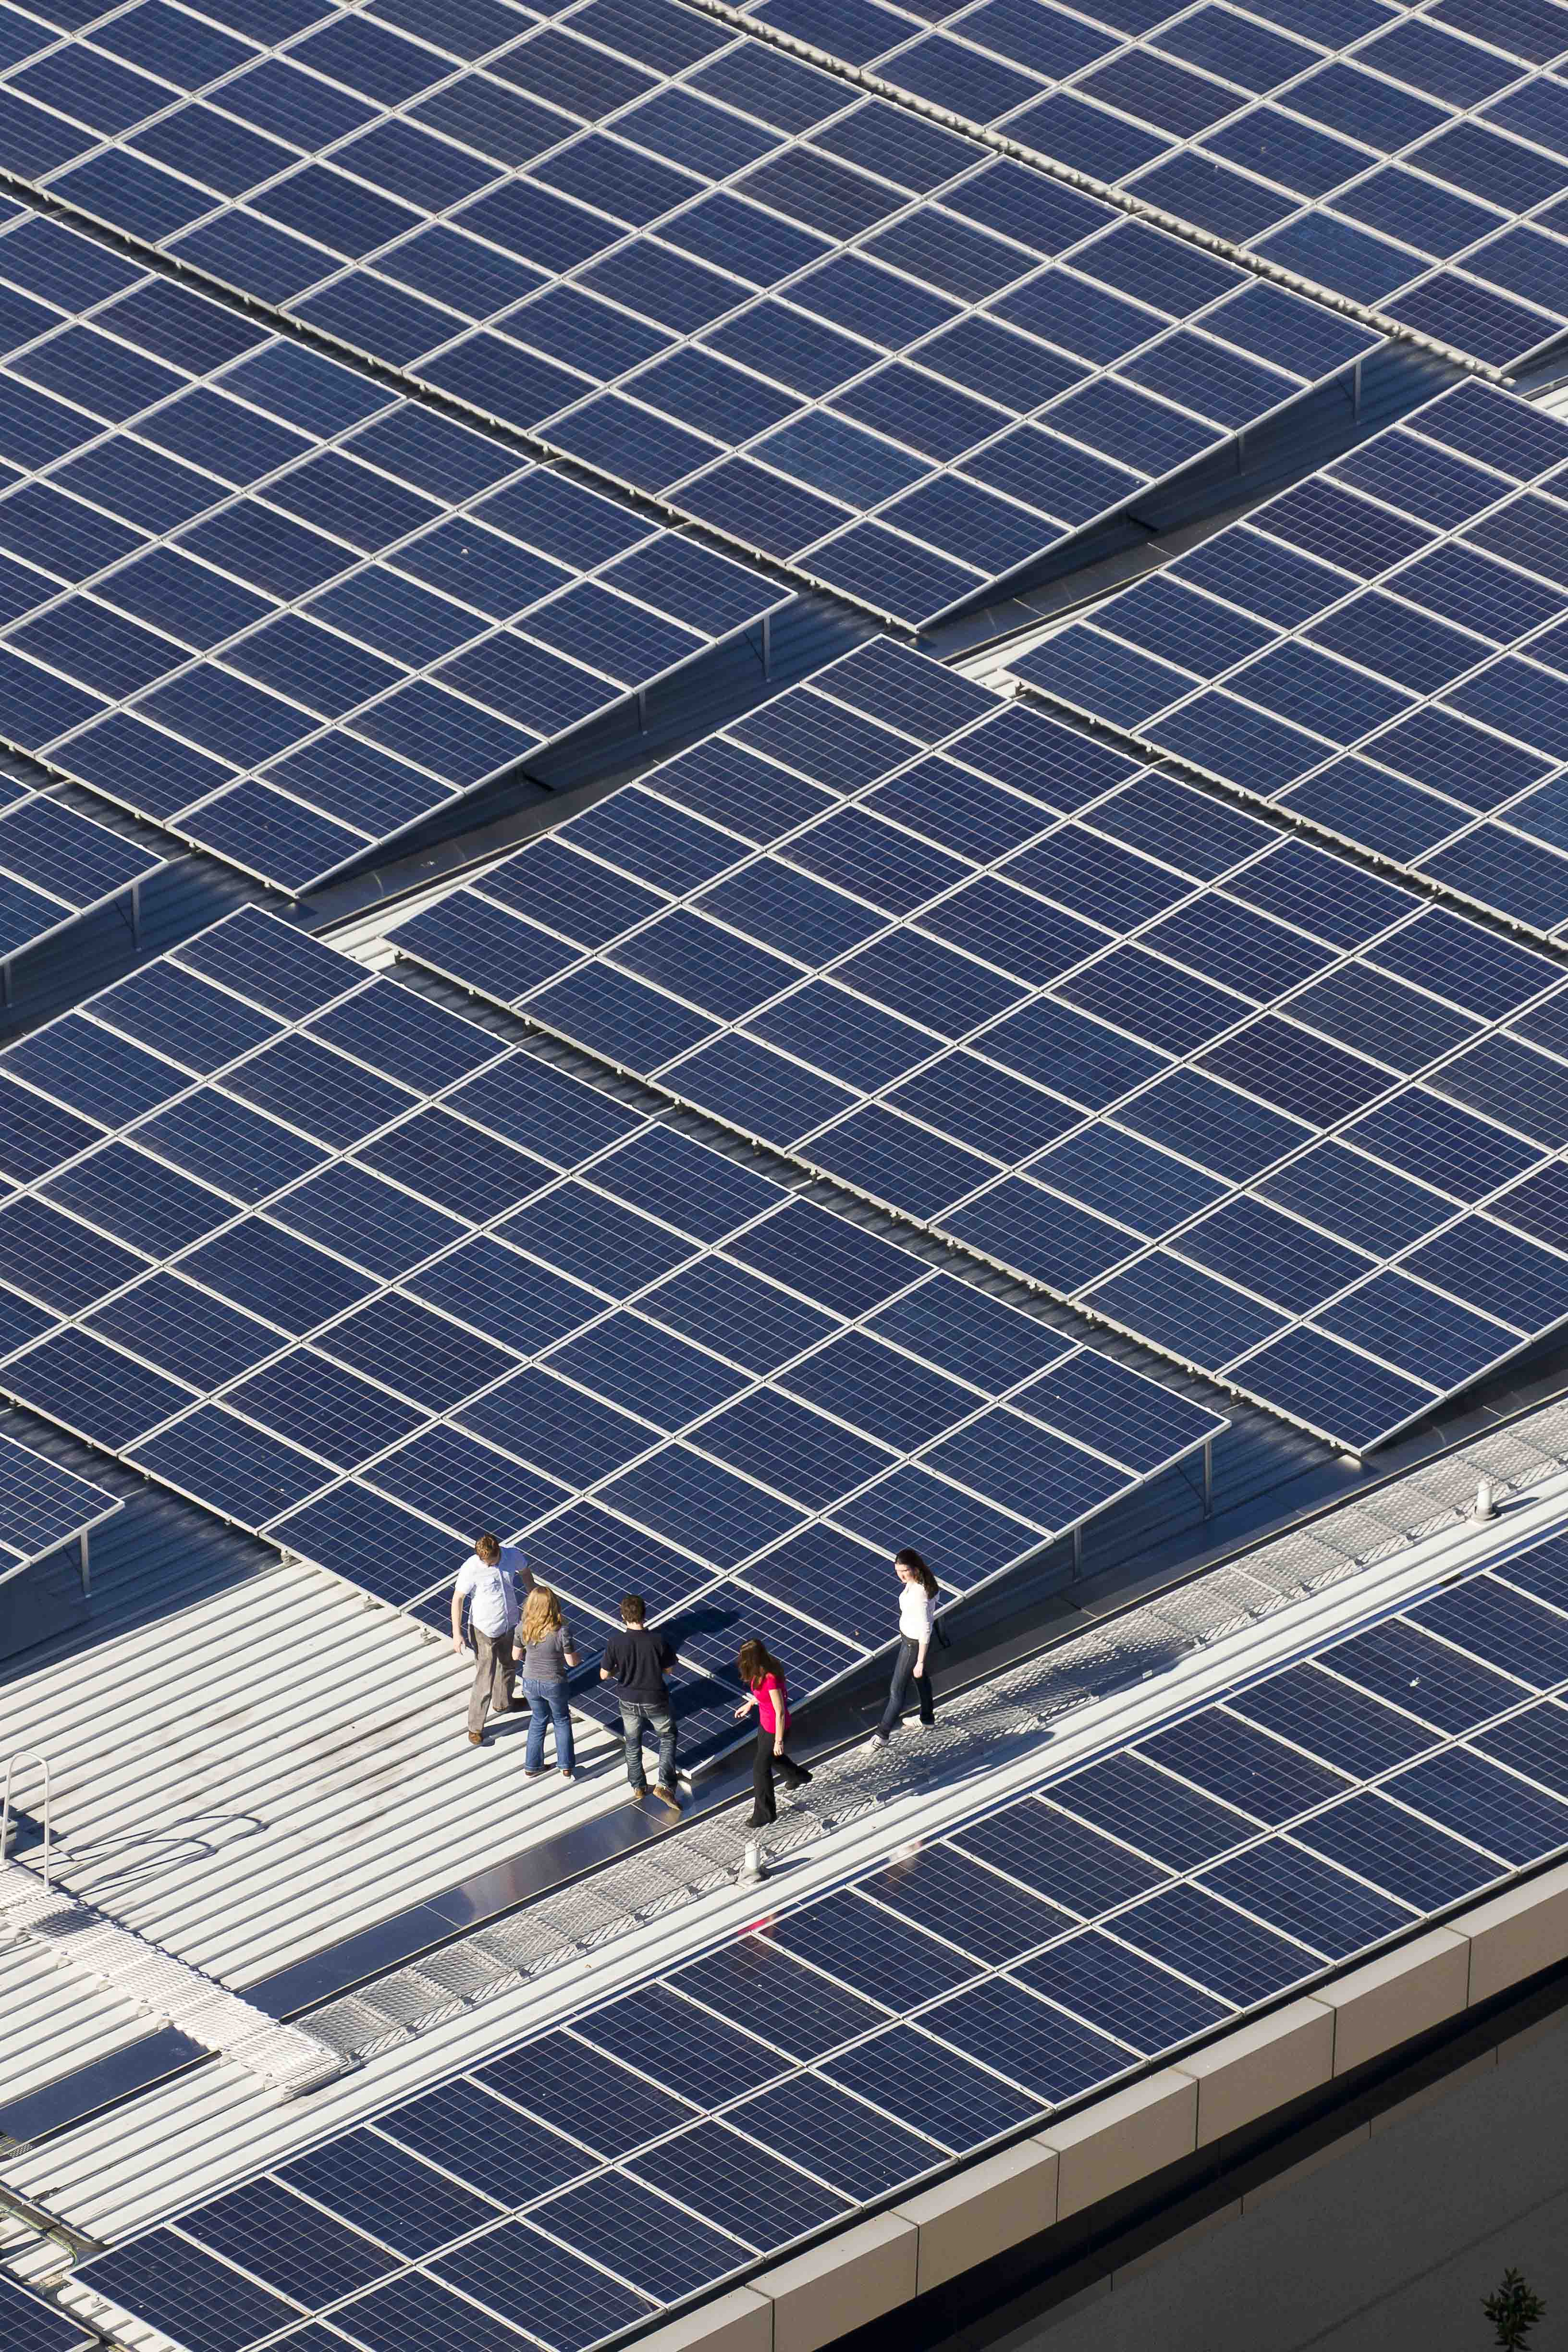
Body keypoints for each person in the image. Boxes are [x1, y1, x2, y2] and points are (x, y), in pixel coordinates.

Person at [600, 1593, 681, 1813]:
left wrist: (621, 1669)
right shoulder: (658, 1640)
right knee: (667, 1737)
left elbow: (604, 1675)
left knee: (633, 1742)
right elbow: (669, 1670)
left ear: (623, 1615)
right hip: (655, 1699)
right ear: (644, 1615)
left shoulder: (615, 1642)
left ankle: (638, 1786)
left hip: (628, 1700)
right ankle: (665, 1785)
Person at [451, 1532, 530, 1748]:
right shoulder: (472, 1567)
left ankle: (504, 1703)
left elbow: (525, 1572)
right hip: (483, 1629)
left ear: (498, 1553)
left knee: (509, 1666)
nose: (487, 1564)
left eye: (491, 1561)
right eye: (484, 1561)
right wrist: (457, 1634)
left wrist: (533, 1601)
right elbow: (458, 1599)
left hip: (509, 1623)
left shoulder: (512, 1555)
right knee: (485, 1677)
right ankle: (475, 1728)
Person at [735, 1638, 811, 1827]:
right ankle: (798, 1776)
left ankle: (765, 1814)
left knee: (760, 1769)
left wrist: (779, 1741)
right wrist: (751, 1703)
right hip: (766, 1723)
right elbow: (763, 1697)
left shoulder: (770, 1678)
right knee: (774, 1759)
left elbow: (780, 1711)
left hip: (775, 1729)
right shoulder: (760, 1671)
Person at [869, 1548, 939, 1746]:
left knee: (896, 1690)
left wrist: (920, 1661)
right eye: (898, 1571)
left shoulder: (920, 1594)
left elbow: (926, 1628)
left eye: (904, 1572)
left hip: (913, 1645)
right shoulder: (921, 1582)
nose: (900, 1576)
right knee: (920, 1678)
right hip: (910, 1641)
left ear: (915, 1570)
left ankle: (882, 1735)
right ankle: (927, 1718)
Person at [517, 1584, 579, 1780]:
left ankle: (532, 1766)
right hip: (554, 1682)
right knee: (561, 1720)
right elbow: (571, 1661)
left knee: (538, 1719)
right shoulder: (562, 1632)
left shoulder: (522, 1628)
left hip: (529, 1682)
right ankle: (566, 1766)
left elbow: (515, 1655)